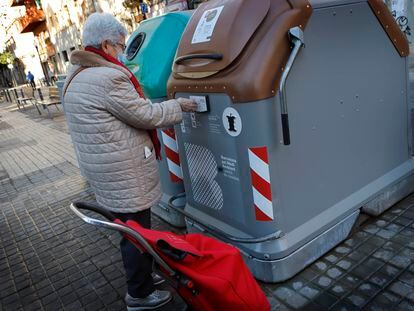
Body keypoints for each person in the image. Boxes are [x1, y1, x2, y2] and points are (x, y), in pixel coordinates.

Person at [63, 13, 197, 310]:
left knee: (130, 228)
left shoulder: (75, 74)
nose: (123, 51)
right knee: (136, 233)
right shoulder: (109, 77)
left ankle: (145, 278)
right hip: (123, 171)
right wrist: (179, 106)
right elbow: (146, 115)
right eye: (121, 45)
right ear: (107, 44)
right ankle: (139, 294)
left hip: (103, 170)